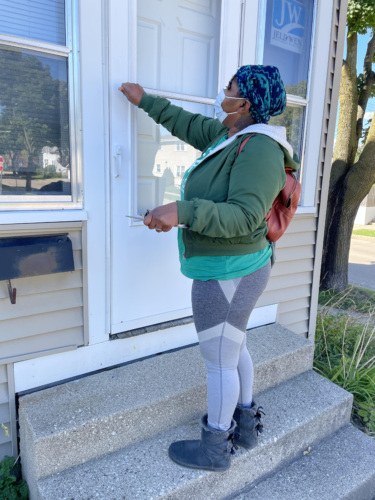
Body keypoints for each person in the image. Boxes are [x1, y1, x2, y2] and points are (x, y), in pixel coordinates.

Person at [118, 65, 299, 472]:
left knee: (219, 359)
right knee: (234, 347)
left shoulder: (260, 150)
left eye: (230, 89)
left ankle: (216, 445)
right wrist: (146, 101)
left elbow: (243, 216)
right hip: (236, 266)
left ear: (246, 103)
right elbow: (187, 123)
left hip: (228, 271)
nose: (223, 93)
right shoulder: (228, 134)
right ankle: (246, 424)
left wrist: (181, 211)